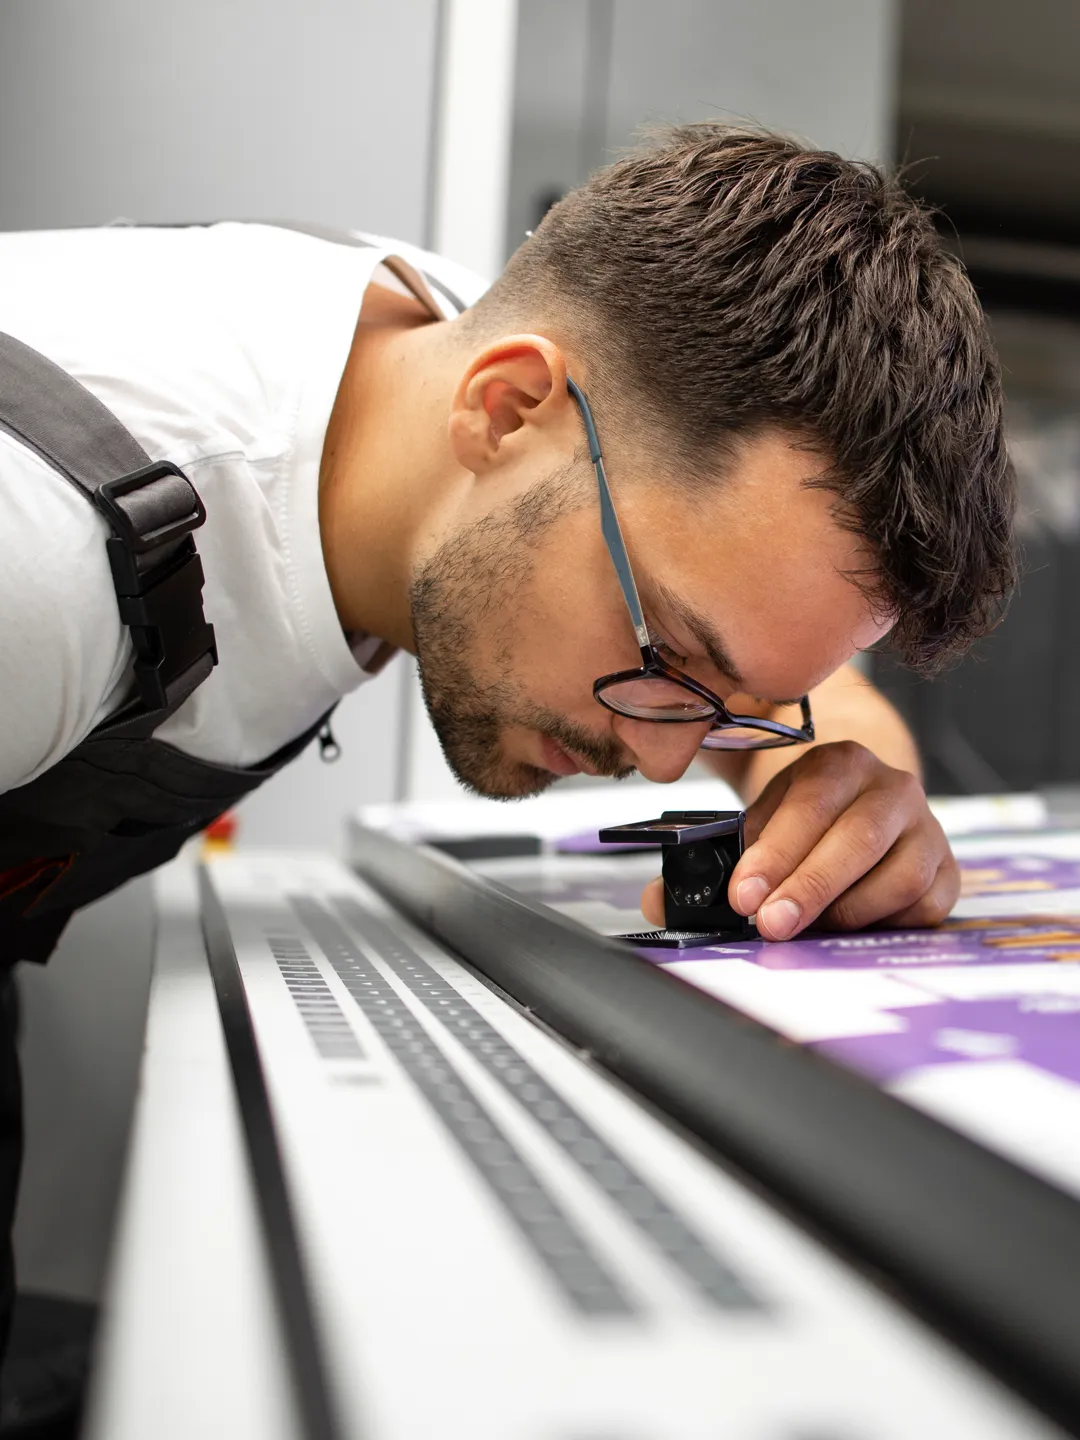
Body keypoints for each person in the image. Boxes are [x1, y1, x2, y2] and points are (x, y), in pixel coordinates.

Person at [0, 124, 1013, 1366]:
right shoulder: (36, 570)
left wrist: (841, 764)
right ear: (507, 405)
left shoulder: (462, 354)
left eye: (732, 700)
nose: (659, 762)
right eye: (667, 658)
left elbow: (768, 624)